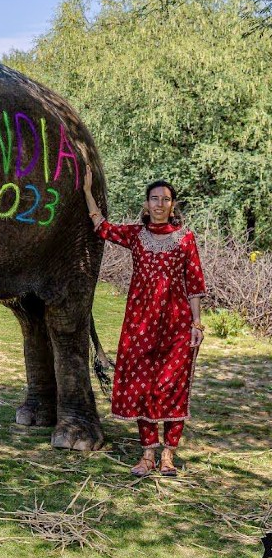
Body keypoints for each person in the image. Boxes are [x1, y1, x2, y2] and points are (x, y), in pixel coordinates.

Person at [82, 166, 206, 477]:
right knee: (143, 386)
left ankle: (168, 455)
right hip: (139, 324)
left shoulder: (185, 238)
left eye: (166, 199)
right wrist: (86, 191)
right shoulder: (137, 235)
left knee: (172, 385)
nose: (160, 204)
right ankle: (147, 454)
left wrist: (197, 324)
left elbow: (194, 282)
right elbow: (102, 227)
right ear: (146, 204)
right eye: (154, 199)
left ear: (172, 205)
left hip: (176, 326)